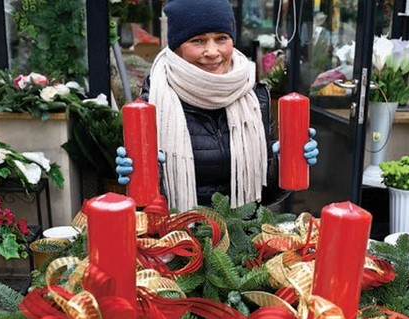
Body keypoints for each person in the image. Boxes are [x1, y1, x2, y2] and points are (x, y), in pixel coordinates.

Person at [116, 0, 318, 212]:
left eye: (221, 38)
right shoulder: (153, 103)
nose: (212, 52)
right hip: (179, 237)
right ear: (176, 48)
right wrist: (139, 175)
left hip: (243, 237)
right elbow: (148, 205)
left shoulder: (254, 98)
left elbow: (265, 196)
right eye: (198, 41)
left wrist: (283, 162)